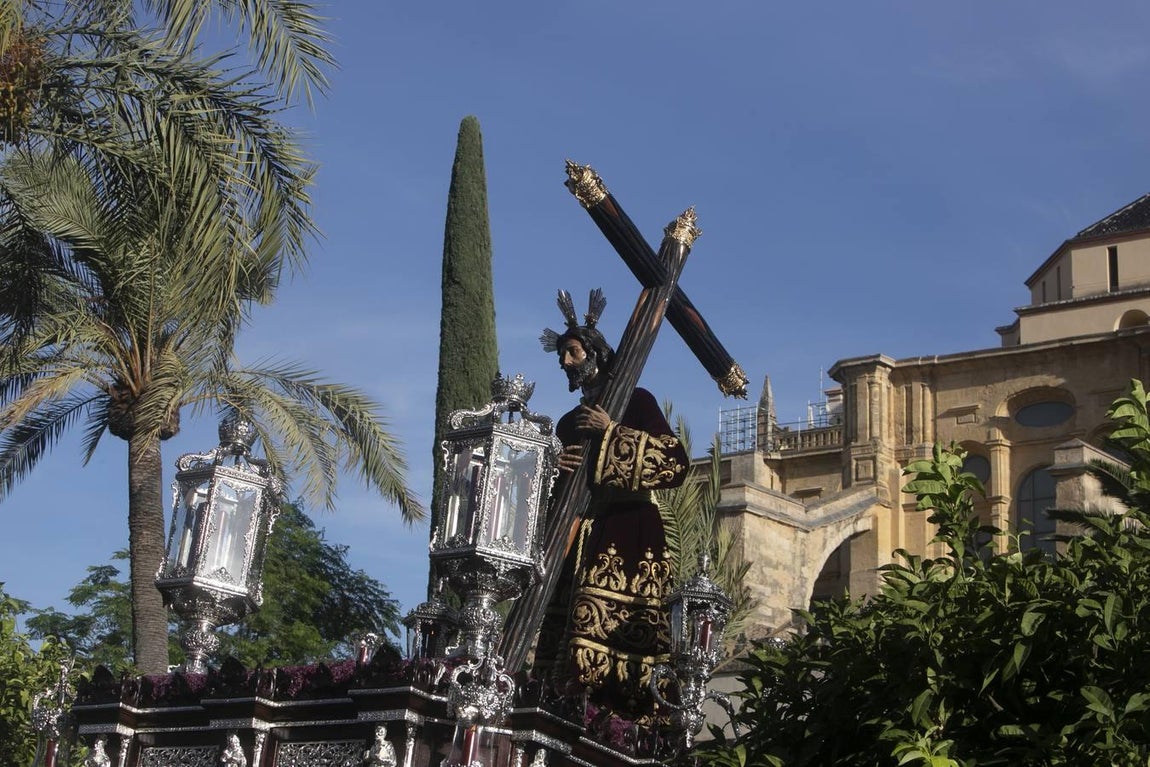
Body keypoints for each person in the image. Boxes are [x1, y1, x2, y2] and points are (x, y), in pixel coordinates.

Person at [537, 289, 688, 721]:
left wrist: (612, 431)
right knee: (566, 645)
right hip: (578, 536)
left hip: (631, 531)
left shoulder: (637, 401)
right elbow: (553, 492)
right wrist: (552, 467)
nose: (565, 362)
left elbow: (675, 463)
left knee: (622, 645)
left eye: (572, 351)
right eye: (562, 355)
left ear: (596, 353)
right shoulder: (568, 423)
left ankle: (622, 727)